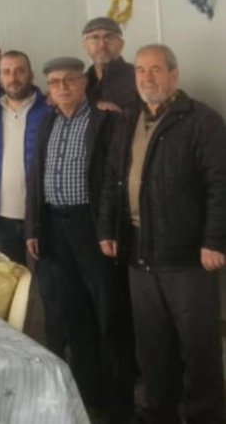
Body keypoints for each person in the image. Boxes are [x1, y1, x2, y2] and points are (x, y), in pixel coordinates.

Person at [98, 45, 226, 424]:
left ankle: (204, 416)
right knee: (152, 345)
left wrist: (214, 241)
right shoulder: (128, 120)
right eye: (140, 70)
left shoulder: (202, 120)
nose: (147, 78)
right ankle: (158, 414)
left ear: (174, 74)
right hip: (139, 250)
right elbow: (112, 180)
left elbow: (220, 185)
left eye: (155, 69)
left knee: (198, 346)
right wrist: (107, 228)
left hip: (188, 255)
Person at [25, 57, 134, 423]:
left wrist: (108, 228)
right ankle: (88, 399)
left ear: (84, 83)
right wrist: (32, 227)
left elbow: (115, 180)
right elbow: (35, 177)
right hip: (54, 227)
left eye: (70, 79)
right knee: (73, 316)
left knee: (110, 315)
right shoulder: (47, 121)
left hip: (92, 228)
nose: (63, 87)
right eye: (55, 81)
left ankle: (119, 406)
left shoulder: (105, 120)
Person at [0, 51, 52, 264]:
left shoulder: (51, 109)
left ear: (31, 74)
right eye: (6, 72)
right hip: (0, 216)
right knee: (8, 281)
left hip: (43, 216)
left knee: (48, 279)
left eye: (20, 71)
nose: (13, 78)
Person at [82, 17, 138, 111]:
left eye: (109, 38)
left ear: (121, 45)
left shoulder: (138, 76)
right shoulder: (81, 83)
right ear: (84, 46)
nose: (102, 45)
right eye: (95, 38)